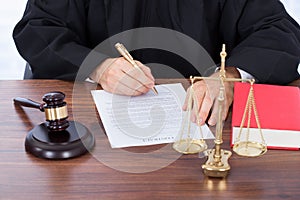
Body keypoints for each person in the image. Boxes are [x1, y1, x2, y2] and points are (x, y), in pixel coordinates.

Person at [13, 0, 300, 126]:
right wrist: (98, 67)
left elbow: (276, 30)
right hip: (95, 127)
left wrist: (230, 77)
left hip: (203, 124)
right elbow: (39, 27)